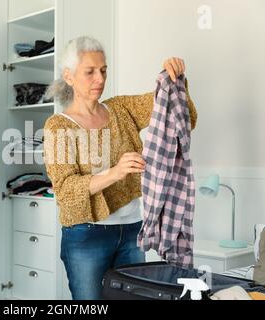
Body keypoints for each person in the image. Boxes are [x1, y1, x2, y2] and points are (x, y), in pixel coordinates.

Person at [43, 36, 197, 300]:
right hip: (85, 235)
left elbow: (175, 108)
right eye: (89, 72)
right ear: (69, 76)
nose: (100, 79)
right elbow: (66, 190)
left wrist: (174, 75)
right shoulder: (58, 126)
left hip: (132, 231)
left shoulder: (121, 108)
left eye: (103, 70)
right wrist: (115, 171)